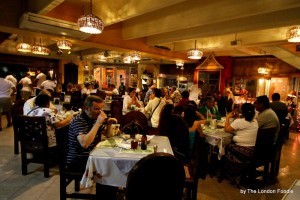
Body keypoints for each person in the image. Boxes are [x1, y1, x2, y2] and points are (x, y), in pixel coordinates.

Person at [66, 95, 118, 199]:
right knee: (107, 170)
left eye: (101, 108)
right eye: (97, 108)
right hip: (77, 160)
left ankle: (111, 195)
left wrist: (108, 124)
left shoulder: (93, 118)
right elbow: (84, 144)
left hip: (90, 157)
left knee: (111, 166)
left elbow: (107, 134)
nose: (100, 112)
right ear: (86, 108)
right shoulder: (78, 121)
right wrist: (98, 123)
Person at [223, 103, 259, 184]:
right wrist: (237, 118)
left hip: (244, 151)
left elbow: (226, 130)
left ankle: (233, 173)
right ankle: (237, 172)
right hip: (254, 149)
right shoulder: (255, 121)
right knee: (229, 145)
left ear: (242, 112)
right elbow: (243, 124)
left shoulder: (239, 122)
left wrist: (228, 118)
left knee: (226, 147)